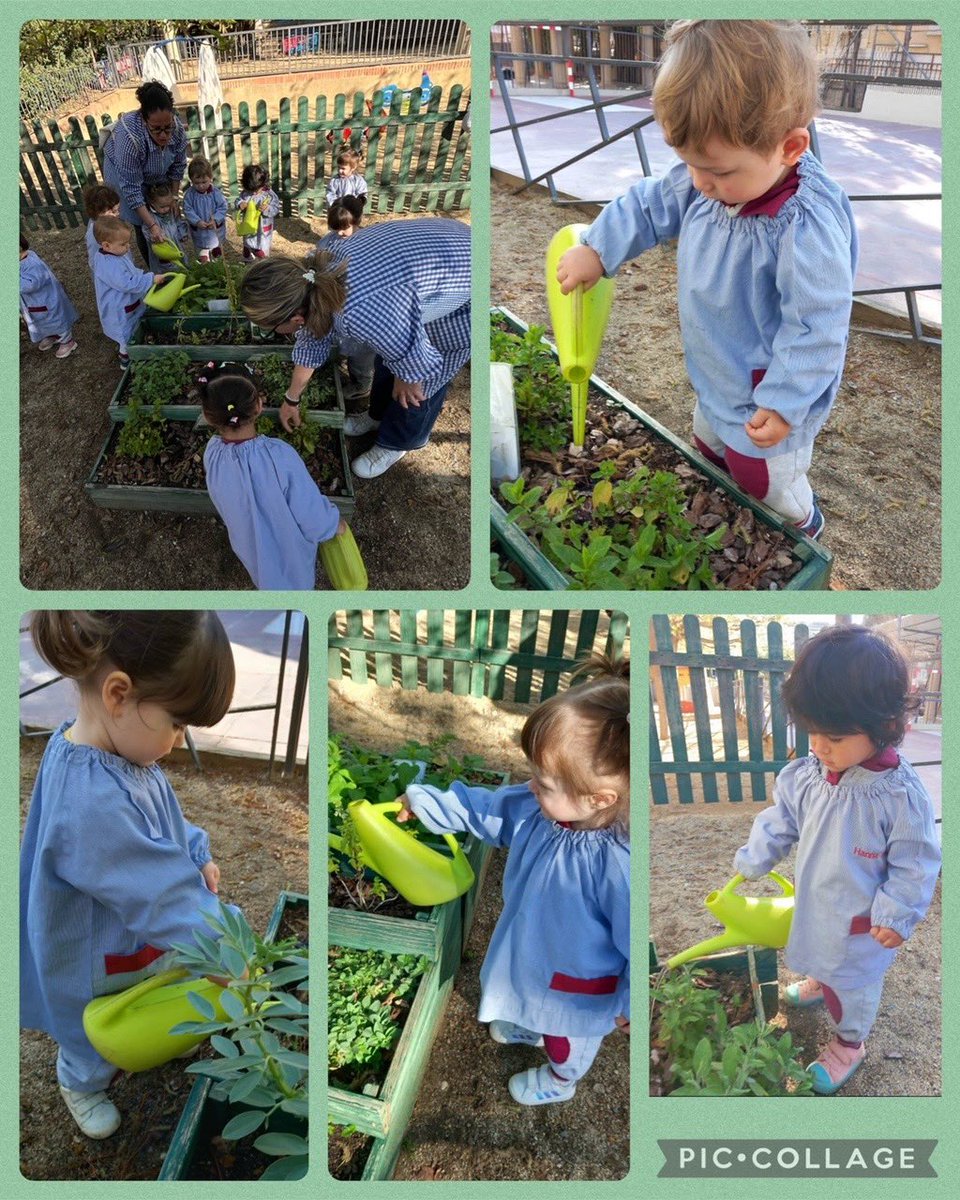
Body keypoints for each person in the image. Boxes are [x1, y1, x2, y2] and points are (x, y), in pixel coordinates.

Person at [557, 20, 859, 541]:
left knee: (764, 477)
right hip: (719, 368)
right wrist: (598, 248)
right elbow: (651, 203)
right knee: (709, 440)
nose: (700, 183)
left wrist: (785, 402)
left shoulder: (805, 228)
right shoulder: (712, 176)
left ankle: (802, 524)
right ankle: (725, 485)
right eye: (688, 163)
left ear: (790, 148)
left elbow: (818, 327)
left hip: (768, 388)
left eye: (716, 171)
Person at [20, 611, 237, 1139]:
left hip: (122, 938)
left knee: (147, 991)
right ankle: (81, 1082)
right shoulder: (92, 801)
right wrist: (228, 951)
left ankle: (153, 1033)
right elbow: (162, 900)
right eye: (177, 723)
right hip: (90, 951)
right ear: (118, 694)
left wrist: (194, 851)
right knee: (93, 1027)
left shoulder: (118, 755)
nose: (178, 740)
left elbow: (163, 824)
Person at [398, 655, 630, 1105]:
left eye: (543, 783)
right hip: (533, 954)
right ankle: (529, 1020)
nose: (529, 787)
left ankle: (562, 1081)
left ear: (599, 798)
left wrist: (632, 1002)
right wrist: (427, 801)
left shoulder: (619, 867)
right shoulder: (538, 809)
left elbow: (636, 947)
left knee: (566, 1036)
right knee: (530, 993)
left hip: (576, 984)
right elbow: (483, 809)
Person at [734, 624, 940, 1094]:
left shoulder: (900, 797)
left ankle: (850, 1042)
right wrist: (757, 854)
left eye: (835, 737)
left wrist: (897, 912)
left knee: (853, 982)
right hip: (819, 901)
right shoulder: (809, 773)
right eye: (812, 733)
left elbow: (916, 863)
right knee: (821, 948)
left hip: (862, 920)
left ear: (888, 726)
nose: (819, 747)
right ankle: (819, 978)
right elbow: (782, 816)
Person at [238, 218, 471, 479]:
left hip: (464, 275)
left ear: (294, 318)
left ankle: (399, 442)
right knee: (390, 359)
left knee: (418, 388)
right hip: (426, 263)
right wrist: (291, 399)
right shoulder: (311, 281)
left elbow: (411, 356)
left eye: (270, 327)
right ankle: (378, 416)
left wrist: (409, 377)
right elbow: (312, 344)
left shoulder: (356, 311)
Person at [200, 365, 346, 589]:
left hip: (248, 545)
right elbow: (310, 513)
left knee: (262, 569)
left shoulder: (212, 453)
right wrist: (333, 524)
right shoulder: (279, 456)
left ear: (208, 417)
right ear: (259, 406)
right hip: (290, 557)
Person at [101, 80, 189, 268]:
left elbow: (178, 165)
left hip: (156, 168)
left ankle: (172, 257)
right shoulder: (129, 137)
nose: (164, 135)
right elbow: (132, 189)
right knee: (143, 224)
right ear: (144, 119)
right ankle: (155, 268)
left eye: (167, 128)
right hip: (125, 175)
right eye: (156, 129)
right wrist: (152, 224)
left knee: (165, 207)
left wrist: (173, 196)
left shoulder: (177, 129)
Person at [313, 198, 371, 401]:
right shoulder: (329, 241)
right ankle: (337, 363)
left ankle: (361, 384)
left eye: (344, 229)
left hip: (359, 306)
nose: (339, 233)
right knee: (339, 338)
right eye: (334, 228)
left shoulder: (367, 242)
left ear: (357, 221)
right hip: (336, 301)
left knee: (361, 351)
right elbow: (317, 258)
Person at [92, 216, 166, 368]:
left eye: (128, 243)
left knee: (134, 324)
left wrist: (142, 277)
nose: (128, 247)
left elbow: (130, 272)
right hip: (119, 309)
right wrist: (150, 279)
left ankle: (136, 343)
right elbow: (127, 283)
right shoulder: (109, 265)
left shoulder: (115, 255)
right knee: (125, 334)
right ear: (106, 245)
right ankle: (126, 359)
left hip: (127, 303)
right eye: (123, 244)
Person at [20, 234, 79, 359]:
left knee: (55, 319)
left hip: (44, 300)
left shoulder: (31, 263)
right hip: (33, 303)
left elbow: (32, 285)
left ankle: (67, 341)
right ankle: (51, 335)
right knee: (40, 320)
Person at [181, 156, 228, 262]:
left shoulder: (215, 193)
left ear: (210, 178)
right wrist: (197, 221)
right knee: (201, 252)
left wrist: (215, 219)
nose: (201, 186)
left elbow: (223, 207)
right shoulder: (190, 194)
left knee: (217, 251)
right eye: (196, 183)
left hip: (214, 230)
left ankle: (218, 265)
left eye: (204, 182)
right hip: (200, 231)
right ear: (191, 180)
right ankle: (204, 264)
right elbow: (188, 209)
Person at [143, 180, 190, 272]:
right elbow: (146, 230)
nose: (166, 209)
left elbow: (178, 221)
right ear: (152, 204)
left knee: (180, 262)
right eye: (162, 207)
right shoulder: (151, 218)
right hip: (163, 248)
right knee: (165, 267)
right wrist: (153, 238)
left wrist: (183, 233)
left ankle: (183, 274)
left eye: (168, 205)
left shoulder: (171, 211)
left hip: (175, 243)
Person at [236, 164, 281, 260]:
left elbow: (276, 208)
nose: (254, 193)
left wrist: (267, 209)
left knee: (263, 247)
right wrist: (240, 204)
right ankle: (247, 259)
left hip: (263, 229)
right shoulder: (245, 193)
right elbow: (238, 200)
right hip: (249, 226)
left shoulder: (269, 195)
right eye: (251, 190)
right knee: (248, 242)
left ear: (263, 183)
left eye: (257, 190)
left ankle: (263, 262)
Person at [82, 183, 121, 270]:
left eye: (118, 210)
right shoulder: (95, 233)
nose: (118, 214)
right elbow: (94, 261)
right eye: (113, 212)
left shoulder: (109, 222)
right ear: (98, 212)